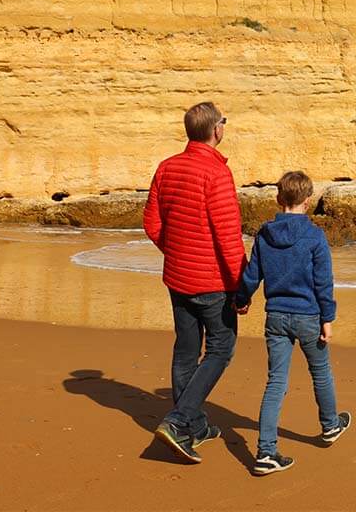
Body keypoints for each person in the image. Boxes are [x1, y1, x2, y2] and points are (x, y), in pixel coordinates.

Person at [143, 101, 244, 464]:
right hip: (212, 282)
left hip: (178, 277)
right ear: (216, 130)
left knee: (186, 351)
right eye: (224, 122)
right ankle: (179, 420)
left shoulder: (167, 167)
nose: (224, 127)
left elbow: (152, 223)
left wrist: (176, 251)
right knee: (220, 350)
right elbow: (228, 236)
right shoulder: (216, 173)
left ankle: (195, 424)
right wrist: (242, 286)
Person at [234, 170, 352, 475]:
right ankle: (330, 425)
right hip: (309, 316)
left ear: (278, 198)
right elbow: (323, 282)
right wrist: (328, 318)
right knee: (321, 371)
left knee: (276, 382)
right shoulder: (314, 236)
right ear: (308, 201)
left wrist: (241, 298)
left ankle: (265, 451)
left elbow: (251, 275)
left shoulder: (264, 234)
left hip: (276, 316)